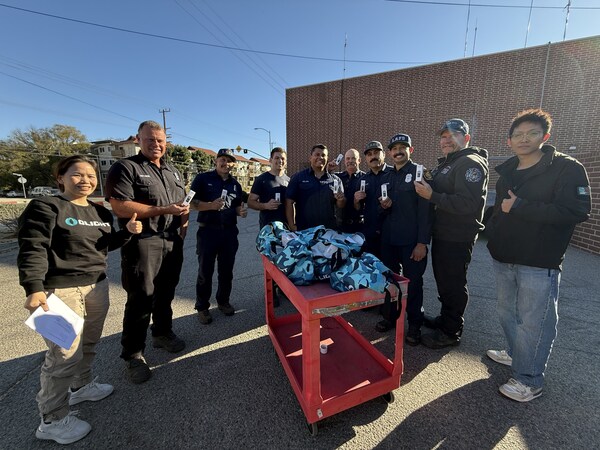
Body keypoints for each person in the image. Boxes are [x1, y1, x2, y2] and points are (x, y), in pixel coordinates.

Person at [18, 155, 142, 444]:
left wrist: (126, 233)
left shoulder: (99, 211)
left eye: (90, 175)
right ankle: (52, 419)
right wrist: (33, 287)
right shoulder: (46, 207)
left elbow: (104, 244)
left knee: (88, 342)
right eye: (77, 174)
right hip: (58, 291)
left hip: (96, 286)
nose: (85, 179)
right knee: (62, 355)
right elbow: (33, 248)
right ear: (60, 178)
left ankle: (81, 385)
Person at [485, 109, 591, 402]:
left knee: (535, 321)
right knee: (507, 313)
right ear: (509, 141)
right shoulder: (508, 171)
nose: (524, 139)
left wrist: (521, 207)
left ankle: (529, 379)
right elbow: (499, 209)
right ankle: (515, 354)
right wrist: (494, 233)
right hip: (503, 255)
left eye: (532, 133)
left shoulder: (566, 168)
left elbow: (577, 211)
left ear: (545, 136)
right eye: (517, 135)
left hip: (539, 261)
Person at [105, 120, 189, 384]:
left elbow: (183, 203)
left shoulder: (173, 170)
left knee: (166, 292)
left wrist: (183, 226)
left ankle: (162, 333)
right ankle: (133, 354)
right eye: (150, 140)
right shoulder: (126, 167)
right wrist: (165, 211)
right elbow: (120, 206)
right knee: (140, 297)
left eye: (161, 140)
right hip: (143, 241)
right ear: (139, 140)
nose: (156, 145)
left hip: (171, 240)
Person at [414, 118, 489, 349]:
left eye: (452, 136)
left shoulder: (470, 163)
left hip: (457, 236)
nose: (446, 140)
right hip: (445, 233)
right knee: (444, 281)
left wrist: (432, 196)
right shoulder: (450, 162)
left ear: (466, 138)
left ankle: (450, 332)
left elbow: (467, 204)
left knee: (453, 283)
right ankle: (446, 320)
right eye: (443, 137)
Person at [377, 134, 432, 345]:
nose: (398, 151)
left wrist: (422, 243)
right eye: (394, 148)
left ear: (411, 149)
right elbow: (380, 209)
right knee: (390, 282)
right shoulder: (387, 176)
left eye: (403, 147)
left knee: (414, 284)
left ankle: (415, 324)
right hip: (390, 240)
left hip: (411, 242)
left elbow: (426, 212)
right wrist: (383, 206)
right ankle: (389, 317)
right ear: (390, 153)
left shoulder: (419, 172)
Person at [190, 148, 248, 325]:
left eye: (229, 160)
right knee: (205, 272)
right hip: (208, 231)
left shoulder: (235, 185)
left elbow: (237, 205)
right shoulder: (202, 179)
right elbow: (190, 202)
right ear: (216, 161)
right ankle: (202, 307)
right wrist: (210, 205)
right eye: (222, 159)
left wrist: (241, 211)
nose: (225, 163)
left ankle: (223, 301)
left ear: (233, 164)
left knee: (226, 271)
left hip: (229, 232)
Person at [286, 144, 346, 231]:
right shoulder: (298, 177)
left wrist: (341, 200)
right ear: (310, 157)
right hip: (304, 230)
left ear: (327, 158)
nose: (320, 157)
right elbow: (289, 202)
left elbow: (340, 205)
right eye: (317, 155)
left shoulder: (336, 180)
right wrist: (291, 225)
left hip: (328, 231)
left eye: (323, 155)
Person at [352, 141, 391, 257]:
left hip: (389, 233)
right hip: (370, 233)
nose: (373, 156)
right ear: (365, 158)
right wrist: (356, 201)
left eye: (376, 153)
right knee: (371, 268)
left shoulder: (393, 174)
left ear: (383, 154)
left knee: (391, 270)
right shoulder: (363, 180)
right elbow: (358, 209)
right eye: (369, 154)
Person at [248, 147, 289, 230]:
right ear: (270, 160)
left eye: (283, 158)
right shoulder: (261, 179)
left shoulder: (289, 180)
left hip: (286, 228)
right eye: (277, 158)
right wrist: (265, 205)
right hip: (267, 228)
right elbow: (250, 202)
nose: (280, 161)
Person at [329, 148, 365, 233]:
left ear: (359, 160)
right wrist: (329, 170)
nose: (350, 161)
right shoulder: (337, 177)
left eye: (353, 158)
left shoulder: (366, 178)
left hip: (359, 226)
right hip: (340, 226)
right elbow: (323, 179)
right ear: (344, 161)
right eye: (348, 158)